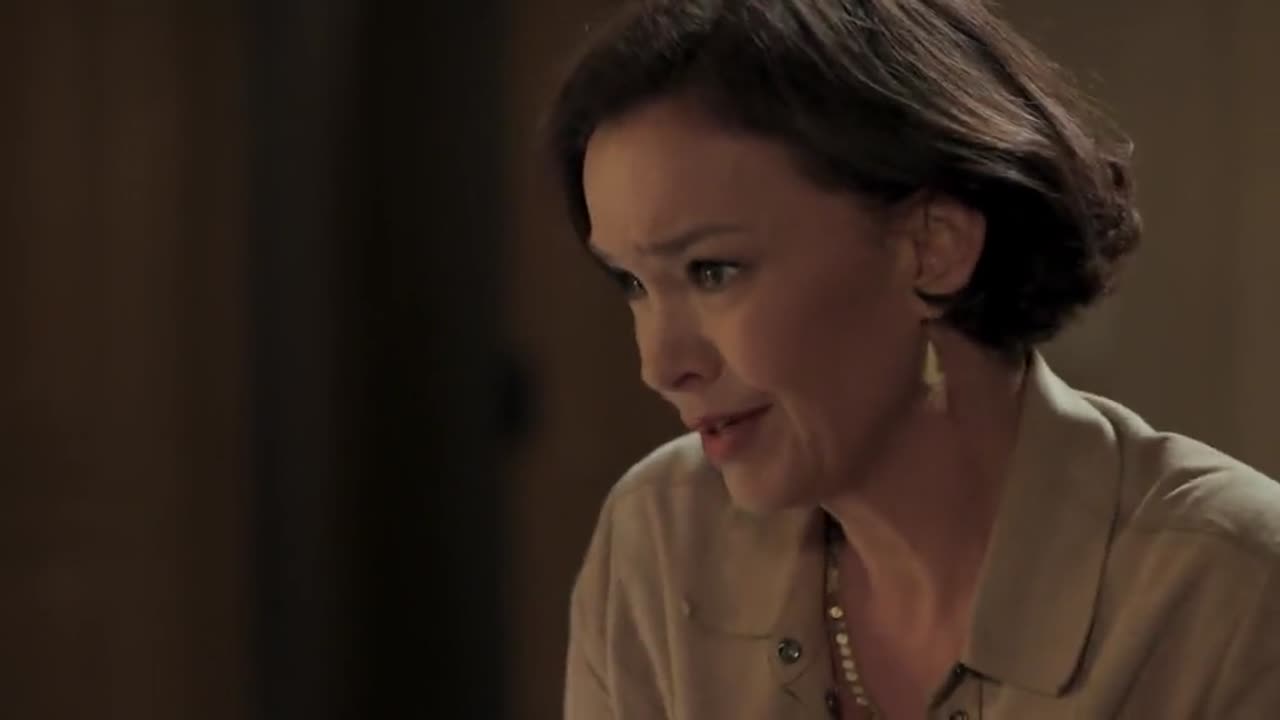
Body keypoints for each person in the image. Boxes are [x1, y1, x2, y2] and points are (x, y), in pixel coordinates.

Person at [546, 1, 1280, 717]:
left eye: (713, 271)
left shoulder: (1233, 594)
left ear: (932, 248)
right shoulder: (663, 537)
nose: (660, 365)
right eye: (633, 284)